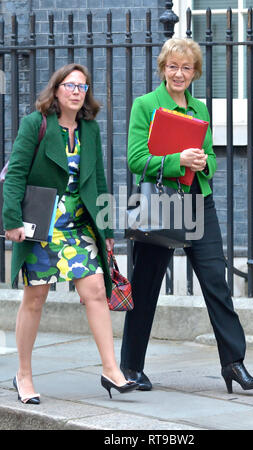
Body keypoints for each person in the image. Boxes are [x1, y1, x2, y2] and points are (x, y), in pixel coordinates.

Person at [120, 38, 253, 394]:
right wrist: (176, 161)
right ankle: (131, 367)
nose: (179, 73)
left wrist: (202, 163)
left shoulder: (200, 109)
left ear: (195, 71)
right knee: (146, 284)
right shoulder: (146, 105)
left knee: (216, 281)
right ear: (163, 69)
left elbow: (212, 158)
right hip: (162, 204)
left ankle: (233, 363)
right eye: (173, 66)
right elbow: (136, 159)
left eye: (186, 67)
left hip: (200, 204)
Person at [2, 63, 137, 403]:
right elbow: (16, 173)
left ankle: (111, 370)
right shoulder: (37, 124)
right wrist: (11, 220)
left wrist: (105, 227)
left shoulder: (89, 129)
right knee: (36, 296)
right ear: (57, 90)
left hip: (79, 222)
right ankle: (24, 375)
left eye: (83, 86)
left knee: (95, 289)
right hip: (42, 222)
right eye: (70, 85)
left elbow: (99, 178)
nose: (77, 91)